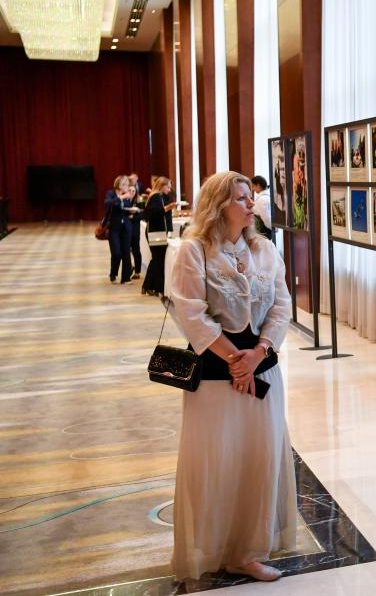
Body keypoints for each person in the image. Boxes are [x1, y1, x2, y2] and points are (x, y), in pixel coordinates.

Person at [168, 171, 296, 582]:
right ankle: (216, 545)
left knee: (259, 458)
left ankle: (248, 549)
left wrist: (257, 354)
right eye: (241, 198)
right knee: (218, 461)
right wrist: (234, 361)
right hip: (213, 375)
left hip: (262, 368)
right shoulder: (194, 250)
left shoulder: (265, 249)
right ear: (218, 205)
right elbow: (190, 312)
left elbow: (281, 306)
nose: (251, 204)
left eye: (249, 197)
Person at [141, 177, 178, 296]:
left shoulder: (159, 196)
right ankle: (155, 287)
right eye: (168, 187)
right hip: (155, 232)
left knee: (157, 259)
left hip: (157, 231)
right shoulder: (156, 197)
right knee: (158, 259)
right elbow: (154, 214)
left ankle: (148, 286)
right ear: (162, 186)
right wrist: (168, 208)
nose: (169, 189)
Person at [103, 175, 135, 284]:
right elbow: (107, 203)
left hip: (126, 226)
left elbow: (127, 208)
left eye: (127, 184)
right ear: (119, 185)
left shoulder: (128, 195)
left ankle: (126, 278)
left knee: (126, 252)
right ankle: (113, 274)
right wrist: (122, 197)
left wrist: (131, 210)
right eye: (125, 184)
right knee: (116, 253)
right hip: (113, 227)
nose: (127, 186)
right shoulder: (111, 193)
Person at [126, 185, 143, 280]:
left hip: (135, 230)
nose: (132, 192)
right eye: (130, 190)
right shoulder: (125, 201)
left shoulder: (139, 202)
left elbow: (142, 215)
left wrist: (133, 217)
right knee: (126, 251)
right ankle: (129, 268)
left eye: (133, 191)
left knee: (136, 250)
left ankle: (137, 271)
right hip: (125, 230)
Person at [251, 175, 274, 242]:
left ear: (258, 185)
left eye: (253, 186)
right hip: (266, 231)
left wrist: (272, 227)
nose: (252, 189)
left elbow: (266, 218)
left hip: (263, 232)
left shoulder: (262, 200)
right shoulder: (267, 197)